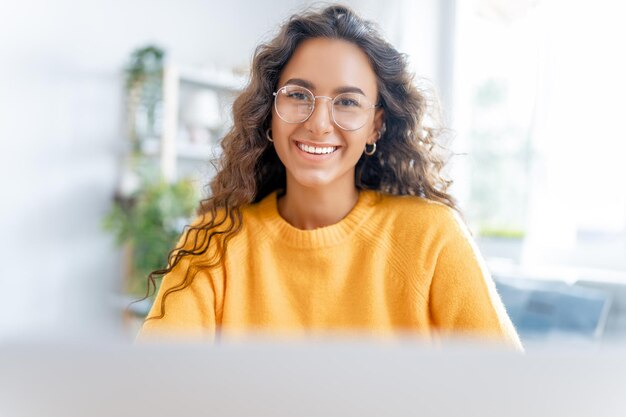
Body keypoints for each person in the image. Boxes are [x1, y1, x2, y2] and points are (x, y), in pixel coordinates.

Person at [137, 4, 522, 349]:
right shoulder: (214, 241)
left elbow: (510, 394)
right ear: (269, 110)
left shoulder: (432, 237)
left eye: (348, 102)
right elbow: (152, 390)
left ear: (376, 126)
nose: (319, 124)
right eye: (299, 95)